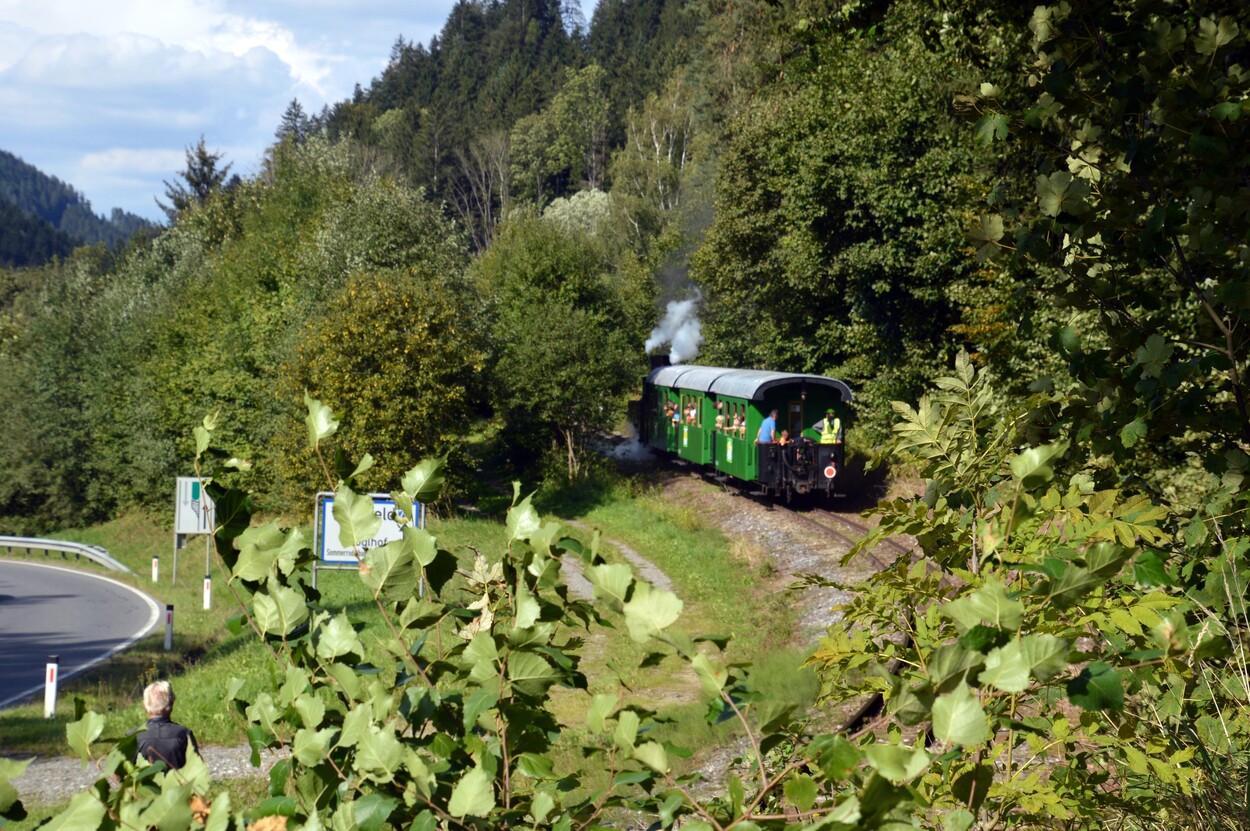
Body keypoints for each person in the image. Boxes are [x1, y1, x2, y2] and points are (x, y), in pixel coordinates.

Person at [136, 680, 199, 769]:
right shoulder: (184, 734)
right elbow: (197, 767)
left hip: (144, 778)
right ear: (171, 703)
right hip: (178, 778)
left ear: (145, 706)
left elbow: (119, 773)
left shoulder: (132, 737)